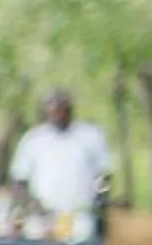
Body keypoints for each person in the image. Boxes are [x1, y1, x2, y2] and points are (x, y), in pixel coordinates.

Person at [9, 88, 114, 217]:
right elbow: (20, 179)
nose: (59, 115)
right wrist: (29, 204)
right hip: (44, 217)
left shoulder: (91, 135)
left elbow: (103, 174)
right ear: (46, 112)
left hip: (82, 215)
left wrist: (100, 200)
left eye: (62, 110)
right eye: (54, 111)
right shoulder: (33, 139)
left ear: (70, 110)